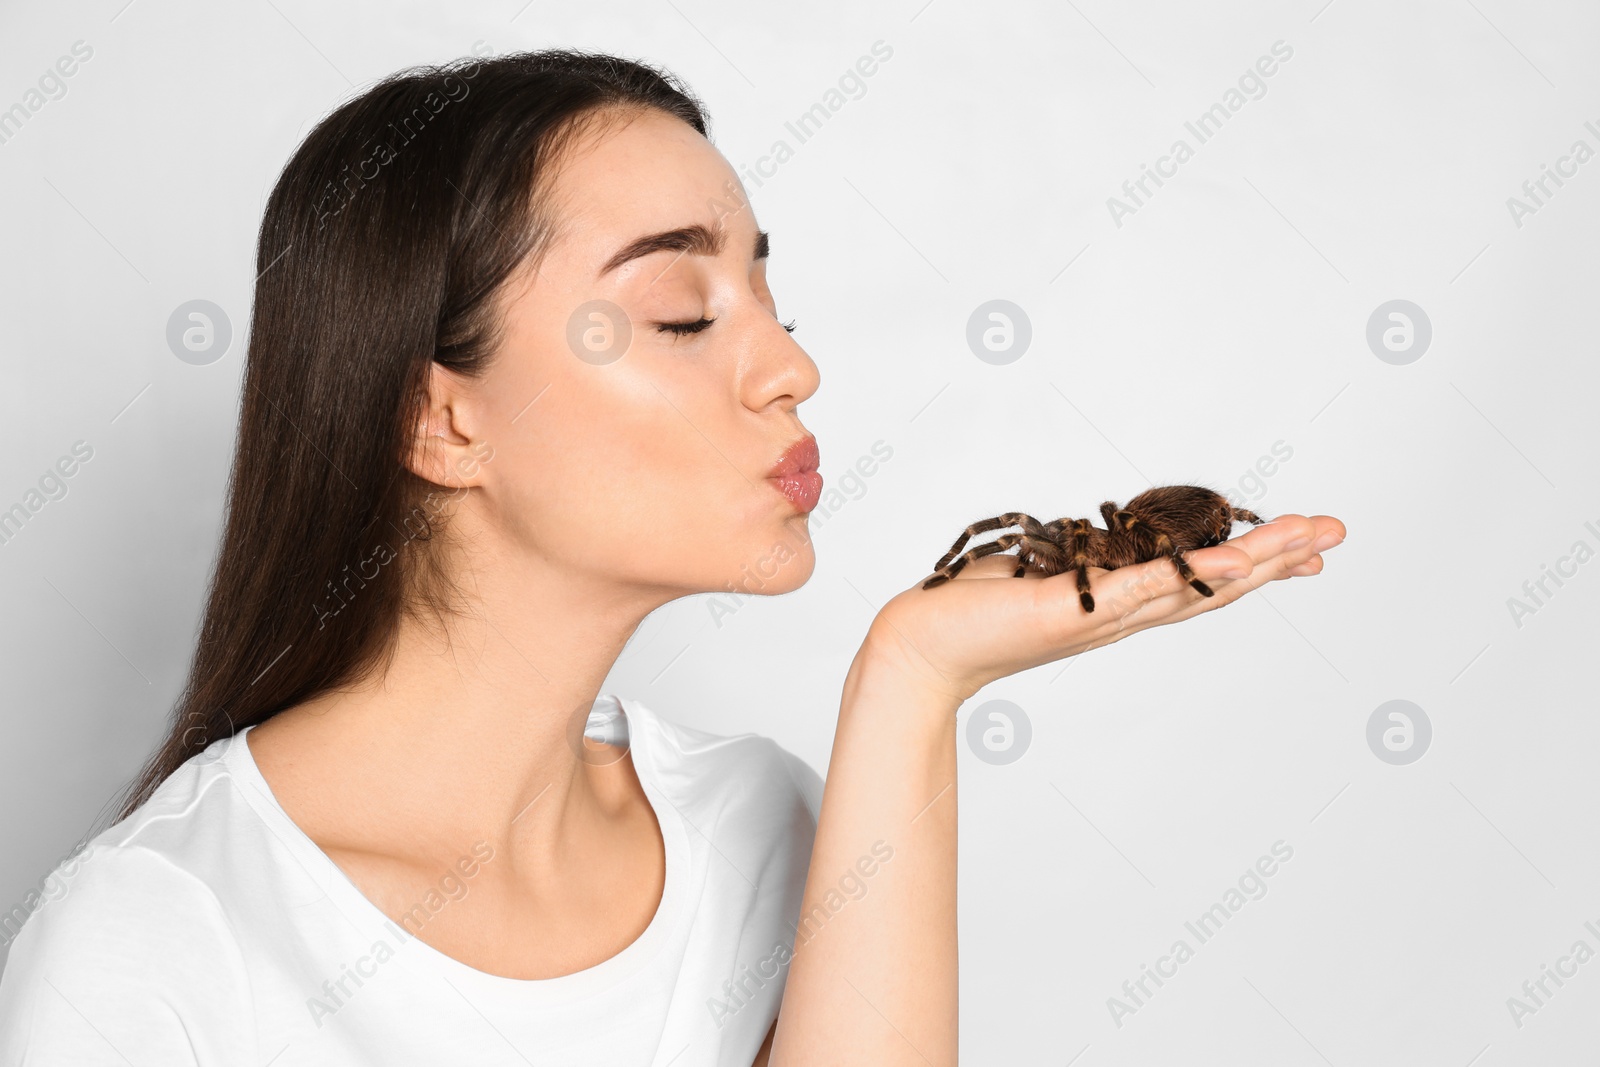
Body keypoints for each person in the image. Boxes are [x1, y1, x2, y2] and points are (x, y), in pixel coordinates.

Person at [0, 47, 1343, 1066]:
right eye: (683, 313)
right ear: (440, 417)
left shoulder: (758, 833)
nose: (794, 366)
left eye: (772, 295)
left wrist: (914, 681)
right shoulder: (159, 944)